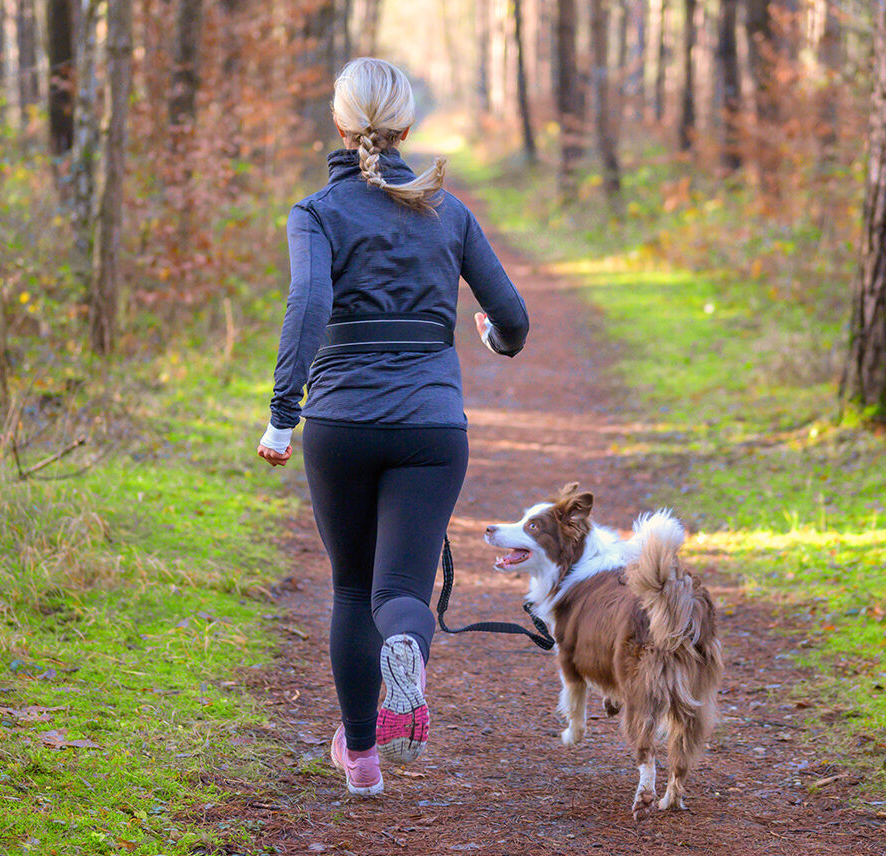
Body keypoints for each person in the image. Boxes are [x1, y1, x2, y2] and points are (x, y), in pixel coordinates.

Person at [255, 57, 529, 798]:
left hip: (341, 422)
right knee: (397, 589)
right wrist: (495, 342)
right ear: (406, 127)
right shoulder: (450, 211)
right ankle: (407, 644)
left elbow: (308, 306)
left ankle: (364, 760)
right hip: (431, 429)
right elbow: (513, 320)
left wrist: (284, 414)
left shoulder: (316, 212)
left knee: (349, 590)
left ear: (341, 125)